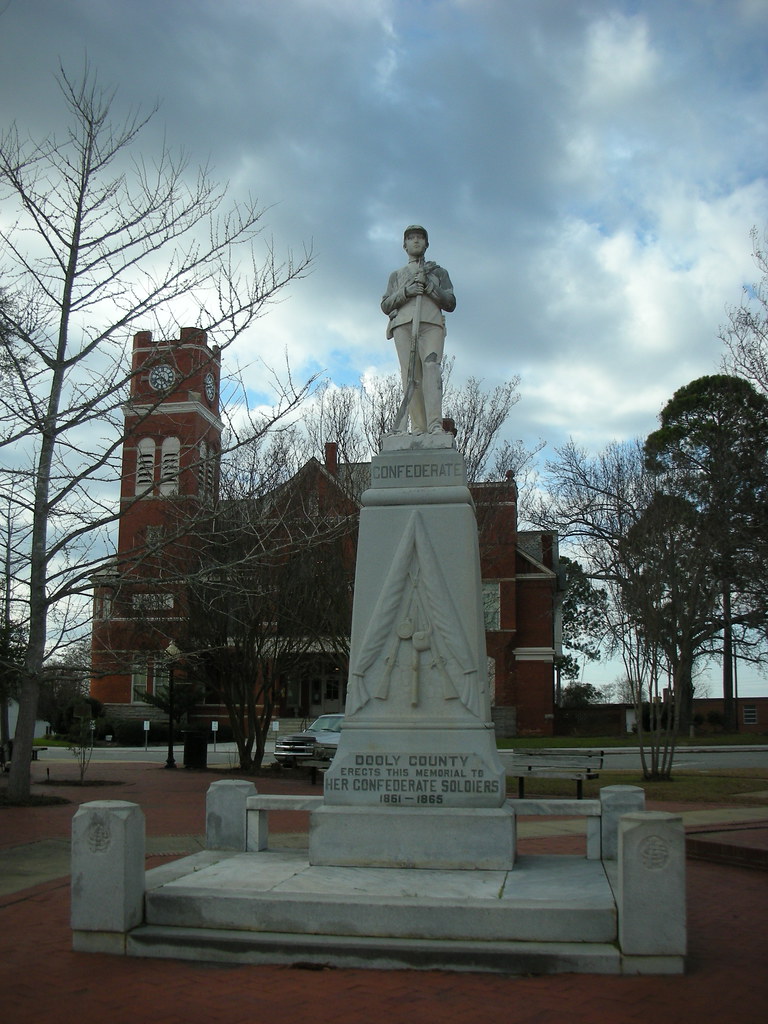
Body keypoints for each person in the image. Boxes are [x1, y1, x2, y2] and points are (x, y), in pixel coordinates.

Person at [381, 225, 456, 434]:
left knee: (431, 369)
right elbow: (386, 304)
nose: (416, 241)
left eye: (420, 238)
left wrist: (430, 287)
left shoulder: (438, 272)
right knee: (410, 375)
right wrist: (407, 291)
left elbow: (450, 302)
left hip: (431, 323)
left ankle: (435, 425)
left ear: (427, 244)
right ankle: (418, 427)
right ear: (404, 245)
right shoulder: (397, 275)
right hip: (404, 325)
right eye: (411, 238)